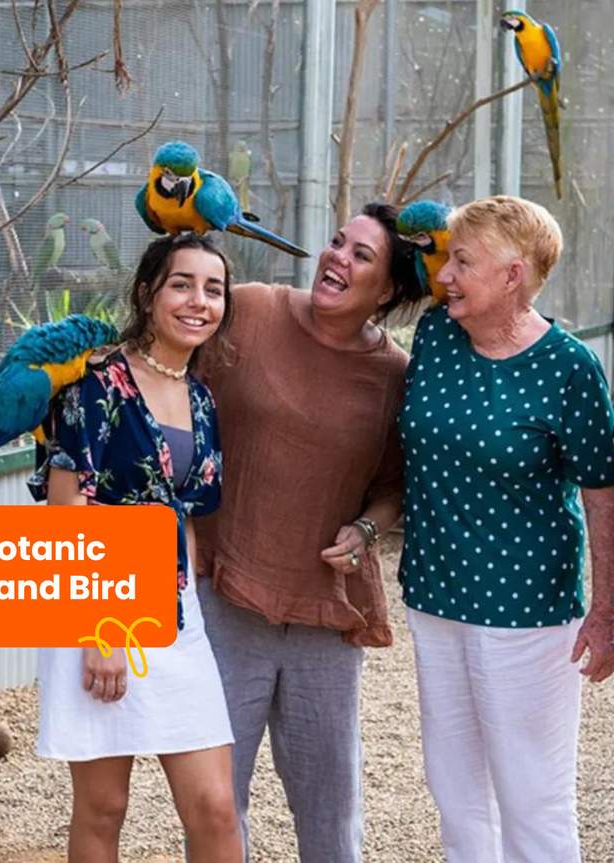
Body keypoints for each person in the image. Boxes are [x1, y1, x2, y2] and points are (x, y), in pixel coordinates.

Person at [191, 202, 428, 862]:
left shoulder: (395, 376)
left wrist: (365, 529)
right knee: (213, 804)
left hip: (325, 610)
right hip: (225, 595)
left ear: (387, 291)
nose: (336, 258)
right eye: (337, 242)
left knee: (330, 812)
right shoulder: (250, 309)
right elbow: (173, 389)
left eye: (360, 255)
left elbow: (394, 486)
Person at [398, 195, 614, 863]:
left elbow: (602, 493)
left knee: (532, 796)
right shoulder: (437, 335)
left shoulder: (568, 366)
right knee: (455, 790)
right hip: (434, 598)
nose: (445, 276)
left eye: (463, 263)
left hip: (525, 609)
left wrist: (606, 612)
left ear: (512, 275)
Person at [28, 233, 243, 863]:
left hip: (174, 614)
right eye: (182, 284)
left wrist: (187, 603)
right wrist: (103, 630)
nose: (199, 301)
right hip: (99, 606)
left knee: (215, 807)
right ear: (148, 294)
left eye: (213, 289)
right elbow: (67, 510)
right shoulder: (95, 385)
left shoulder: (201, 398)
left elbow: (187, 513)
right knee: (104, 807)